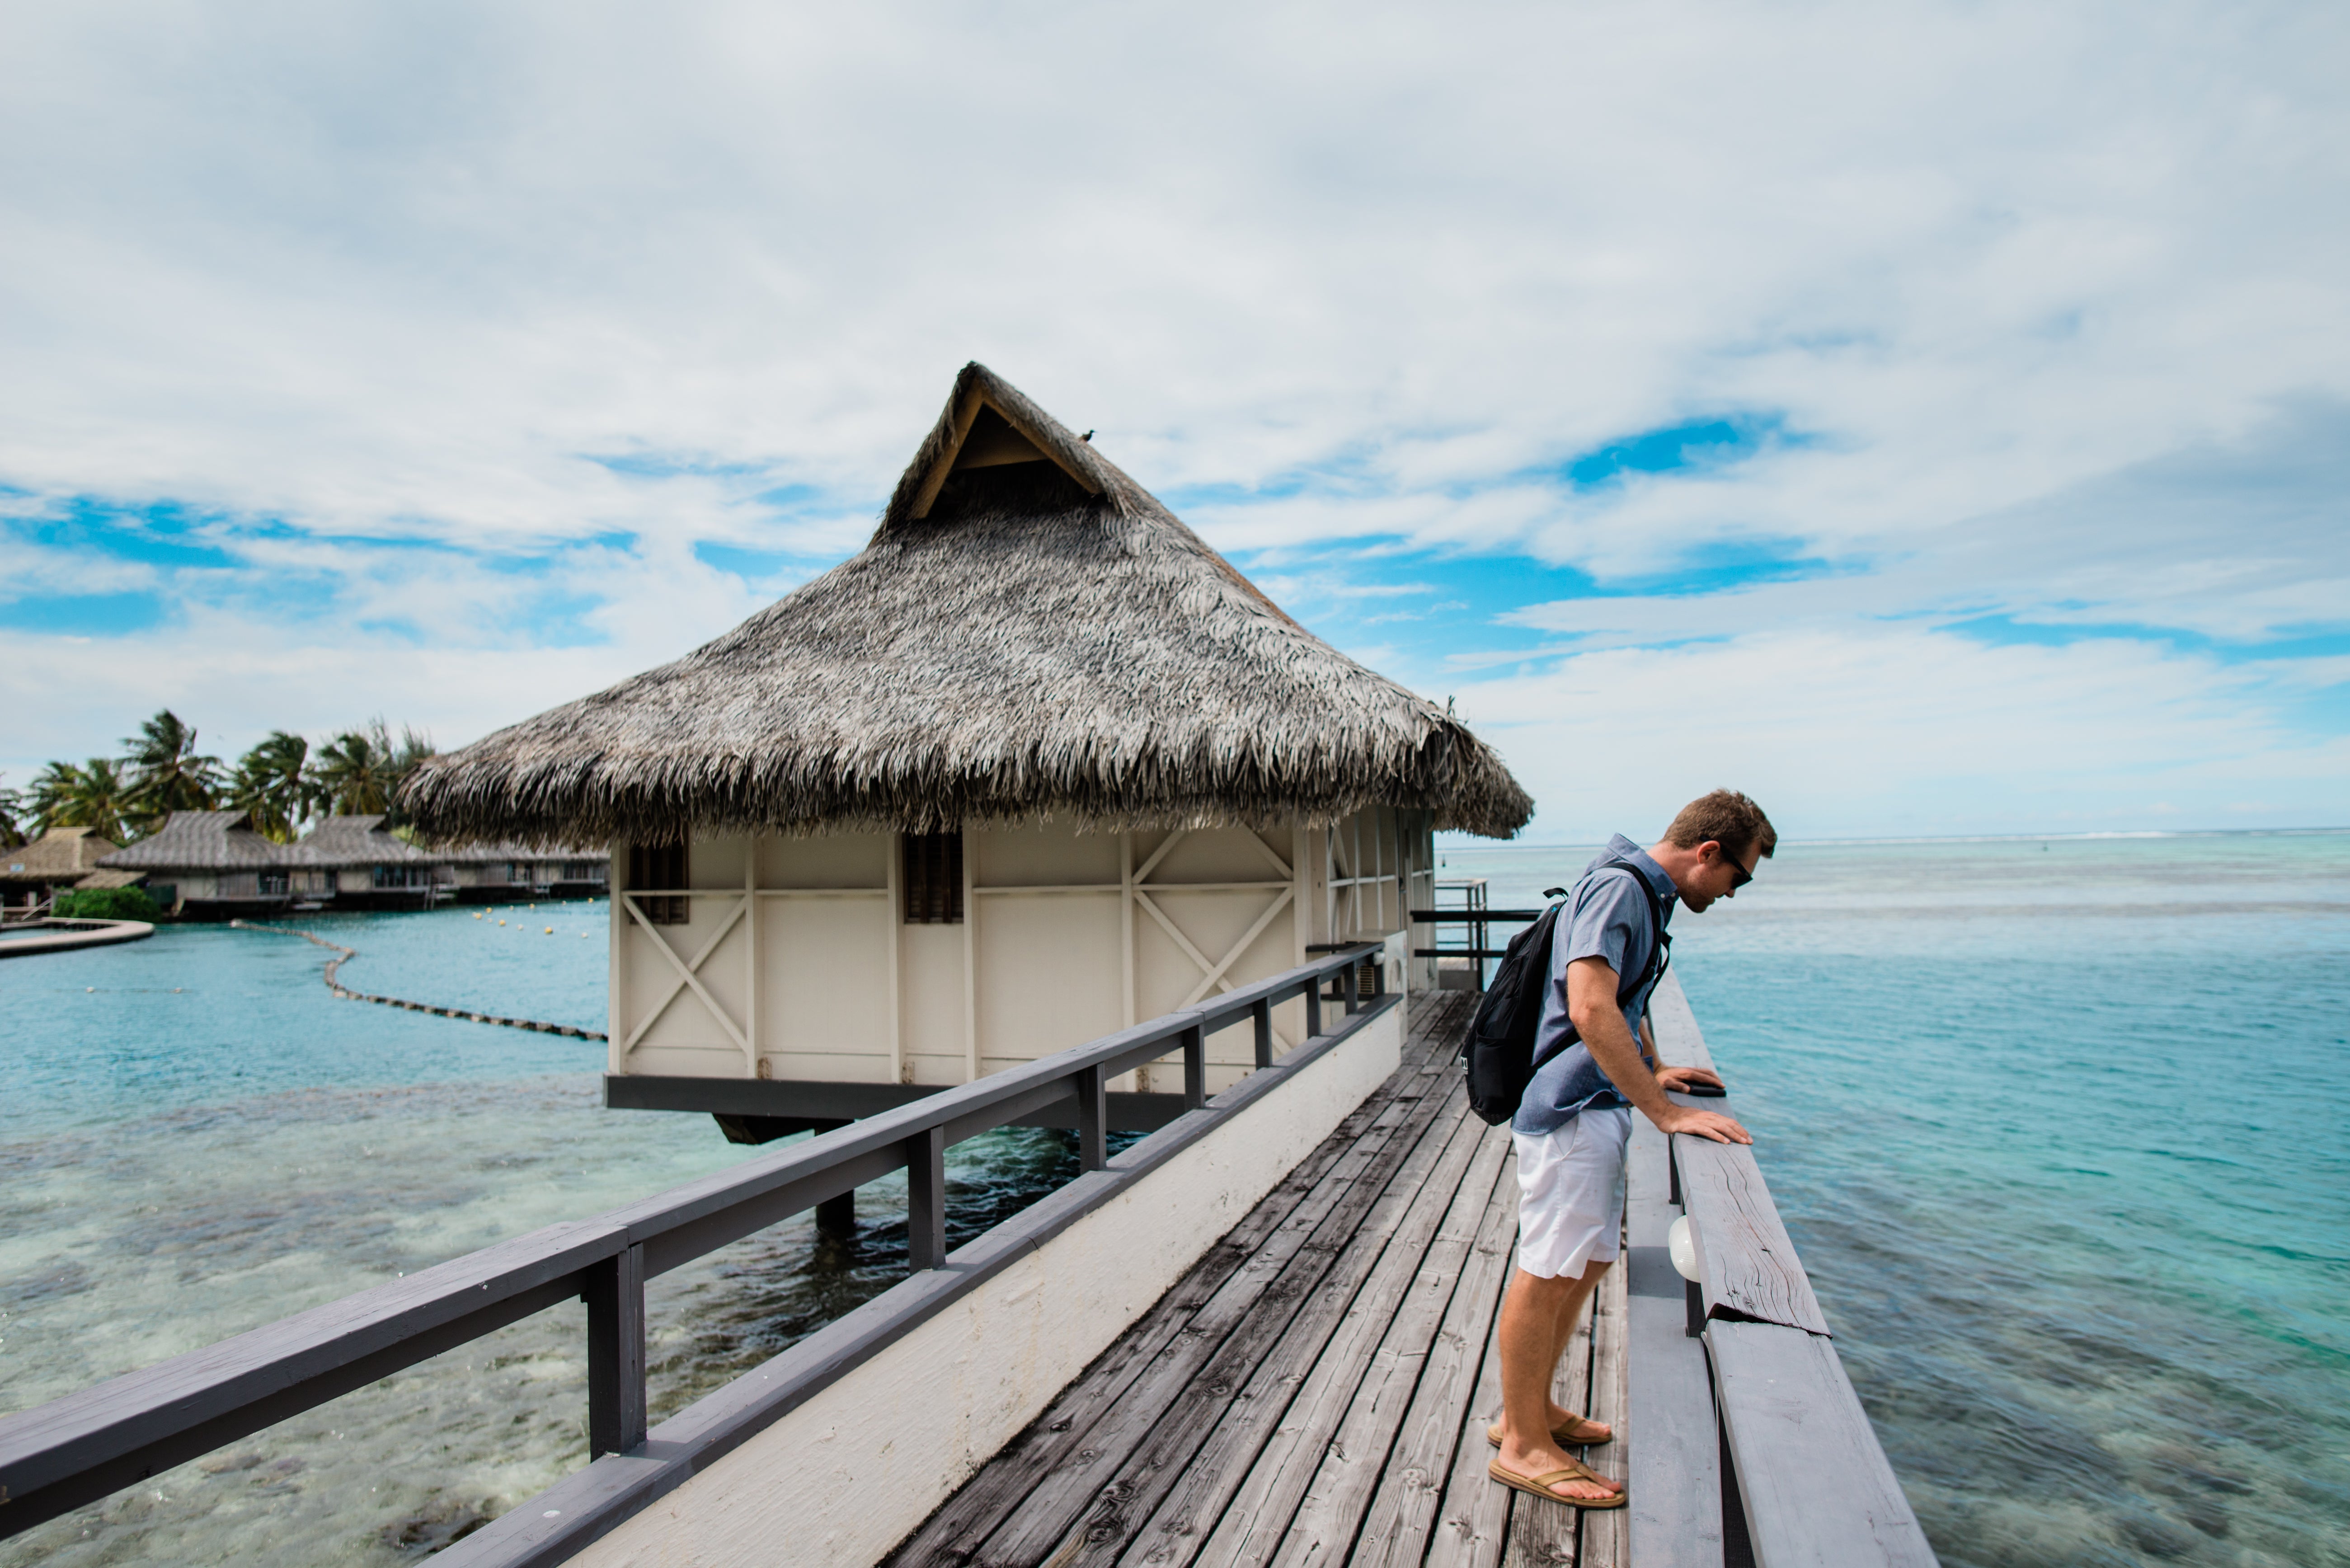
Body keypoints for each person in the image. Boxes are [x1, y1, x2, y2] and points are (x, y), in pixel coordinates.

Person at [1485, 789, 1775, 1509]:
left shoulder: (1644, 891)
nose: (1732, 893)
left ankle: (1532, 1410)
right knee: (1548, 1269)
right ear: (1708, 852)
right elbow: (1589, 1004)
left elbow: (1622, 997)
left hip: (1596, 1104)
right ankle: (1521, 1441)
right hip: (1570, 1111)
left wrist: (1654, 1066)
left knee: (1584, 1261)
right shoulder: (1622, 890)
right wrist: (1665, 1111)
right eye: (1737, 877)